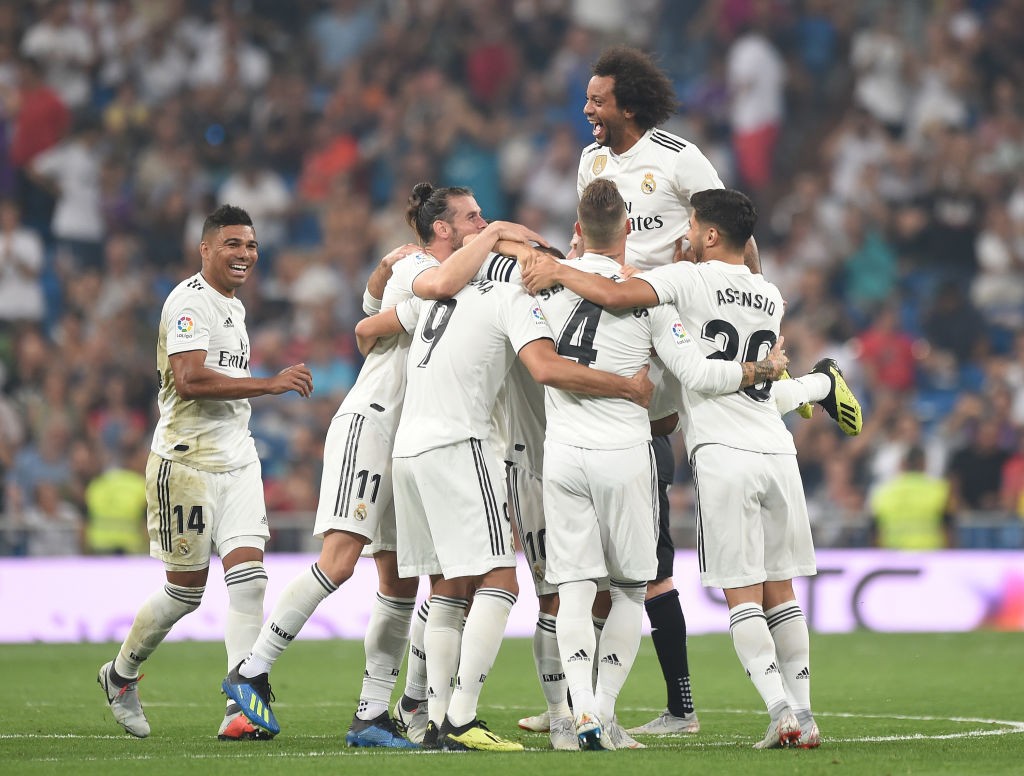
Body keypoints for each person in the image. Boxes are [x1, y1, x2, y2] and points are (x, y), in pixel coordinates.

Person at [523, 188, 865, 748]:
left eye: (691, 225)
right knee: (782, 591)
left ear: (709, 235)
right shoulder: (770, 295)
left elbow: (619, 295)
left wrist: (556, 268)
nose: (682, 233)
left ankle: (780, 712)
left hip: (720, 455)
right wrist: (779, 376)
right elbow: (738, 294)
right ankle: (805, 714)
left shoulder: (682, 284)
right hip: (777, 451)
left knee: (741, 595)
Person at [221, 183, 546, 744]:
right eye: (472, 217)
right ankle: (251, 668)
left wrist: (523, 246)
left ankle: (374, 713)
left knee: (400, 583)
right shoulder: (419, 266)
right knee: (341, 560)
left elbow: (371, 321)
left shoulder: (451, 273)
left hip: (412, 441)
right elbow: (389, 315)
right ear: (442, 228)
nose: (482, 222)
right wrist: (495, 239)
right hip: (372, 423)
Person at [351, 265, 656, 753]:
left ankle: (428, 712)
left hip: (427, 449)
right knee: (541, 591)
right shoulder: (516, 300)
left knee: (456, 588)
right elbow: (547, 368)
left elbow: (366, 328)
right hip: (526, 461)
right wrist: (630, 389)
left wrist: (384, 280)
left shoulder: (440, 296)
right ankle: (541, 718)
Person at [96, 204, 314, 740]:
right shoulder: (189, 302)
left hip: (237, 459)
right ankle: (120, 674)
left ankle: (241, 705)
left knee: (250, 577)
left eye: (252, 245)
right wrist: (270, 384)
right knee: (186, 592)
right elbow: (190, 379)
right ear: (207, 249)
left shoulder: (233, 308)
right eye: (234, 244)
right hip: (186, 462)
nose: (246, 254)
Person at [869, 446, 952, 549]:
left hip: (893, 557)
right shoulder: (940, 490)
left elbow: (875, 533)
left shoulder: (883, 492)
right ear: (924, 463)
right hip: (929, 556)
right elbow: (948, 529)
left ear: (903, 464)